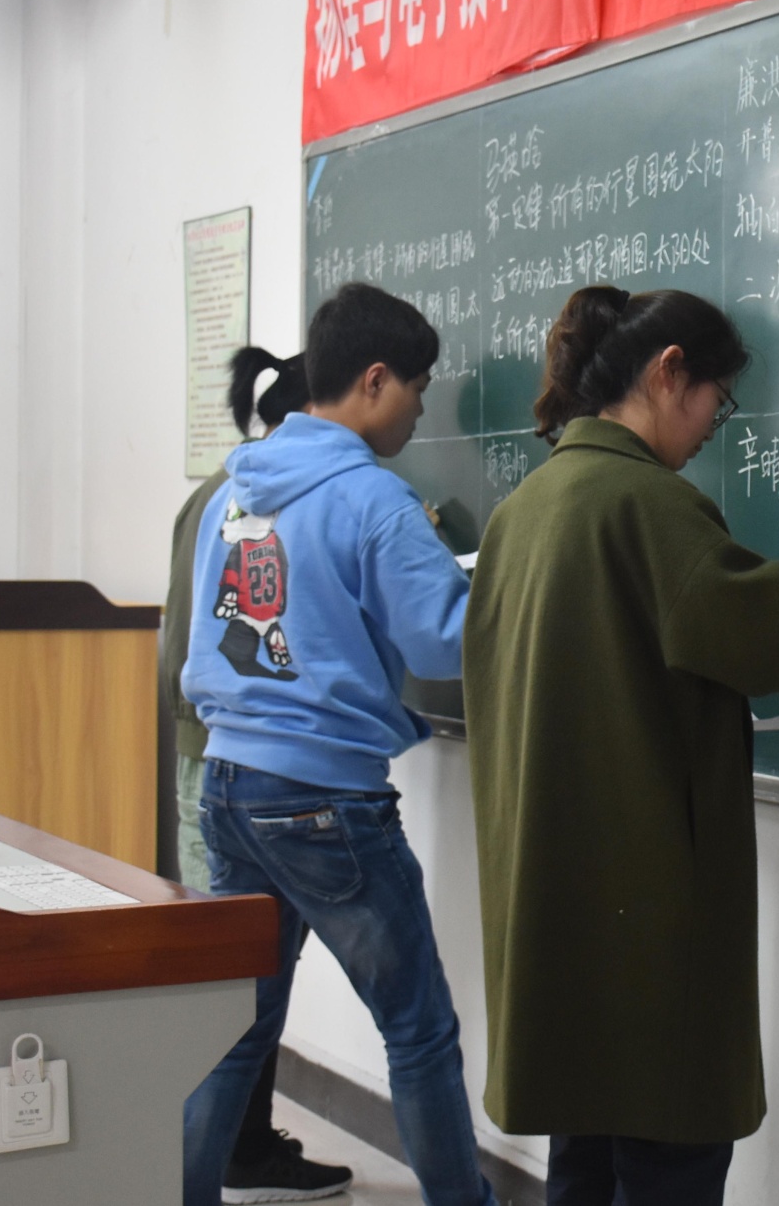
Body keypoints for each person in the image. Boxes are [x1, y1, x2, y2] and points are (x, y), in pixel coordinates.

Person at [463, 285, 779, 1205]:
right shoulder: (649, 505)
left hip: (559, 903)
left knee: (583, 1148)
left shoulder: (523, 510)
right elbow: (775, 638)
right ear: (669, 373)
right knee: (671, 1157)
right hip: (649, 910)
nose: (709, 429)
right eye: (715, 401)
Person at [181, 284, 496, 1206]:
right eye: (419, 388)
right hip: (323, 798)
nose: (422, 410)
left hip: (229, 778)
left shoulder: (234, 490)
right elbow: (443, 644)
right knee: (418, 1028)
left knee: (235, 1026)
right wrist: (495, 586)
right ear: (374, 379)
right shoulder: (374, 498)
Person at [161, 346, 353, 1203]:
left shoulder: (218, 488)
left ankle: (228, 1151)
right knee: (246, 972)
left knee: (237, 965)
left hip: (207, 752)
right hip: (245, 755)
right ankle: (234, 1152)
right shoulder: (268, 496)